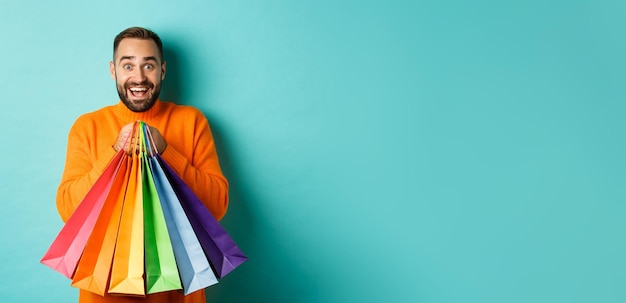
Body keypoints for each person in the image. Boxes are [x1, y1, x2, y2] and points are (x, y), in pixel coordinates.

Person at [56, 26, 229, 303]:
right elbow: (68, 210)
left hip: (178, 292)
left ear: (162, 70)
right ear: (114, 70)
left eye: (148, 65)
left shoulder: (192, 122)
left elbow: (217, 205)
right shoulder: (86, 127)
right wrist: (113, 152)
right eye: (128, 65)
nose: (138, 77)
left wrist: (167, 151)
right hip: (105, 291)